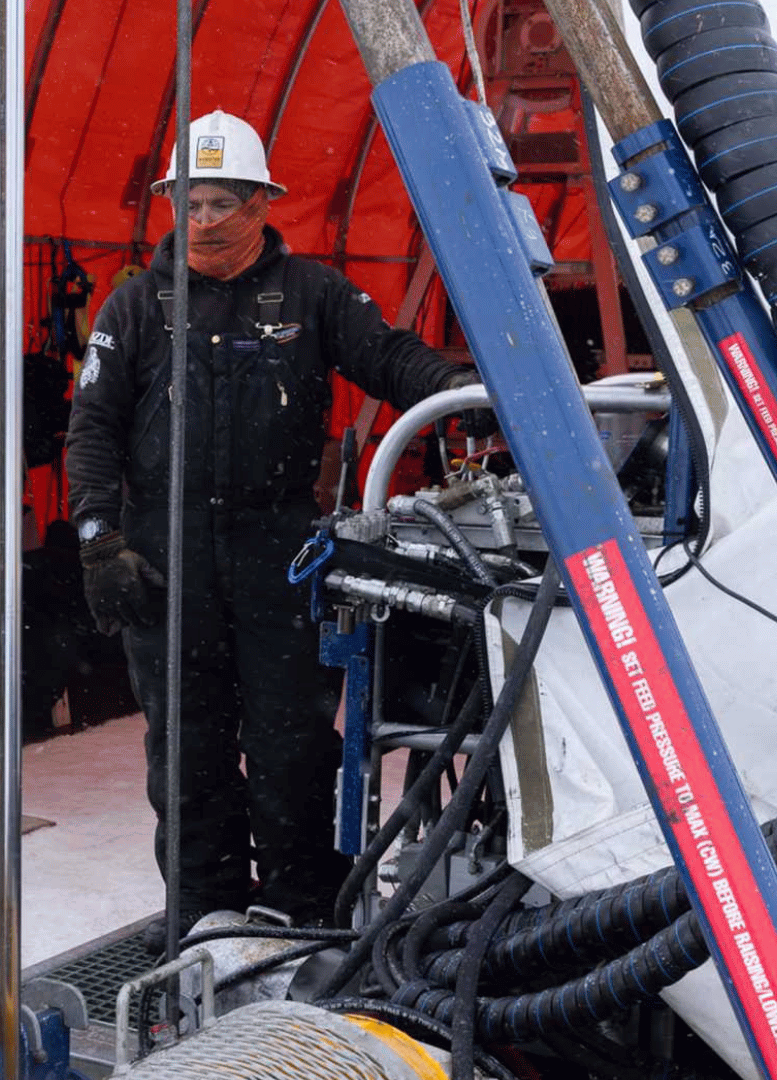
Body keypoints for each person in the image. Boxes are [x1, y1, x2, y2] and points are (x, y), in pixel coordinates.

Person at [64, 109, 482, 946]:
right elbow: (93, 428)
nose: (203, 220)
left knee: (291, 736)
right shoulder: (134, 307)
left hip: (279, 552)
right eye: (189, 203)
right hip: (169, 556)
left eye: (221, 202)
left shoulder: (313, 294)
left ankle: (301, 902)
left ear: (261, 202)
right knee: (185, 745)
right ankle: (200, 907)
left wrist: (463, 396)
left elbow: (389, 356)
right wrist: (100, 541)